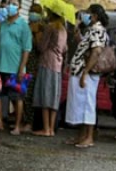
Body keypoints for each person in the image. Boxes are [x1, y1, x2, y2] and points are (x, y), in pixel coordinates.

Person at [65, 4, 109, 148]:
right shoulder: (91, 30)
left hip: (87, 73)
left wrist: (85, 72)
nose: (85, 16)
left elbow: (96, 52)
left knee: (87, 105)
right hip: (80, 72)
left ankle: (89, 137)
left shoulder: (97, 30)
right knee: (80, 105)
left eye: (88, 13)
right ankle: (81, 136)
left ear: (94, 16)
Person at [0, 0, 32, 135]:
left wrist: (22, 68)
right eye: (8, 2)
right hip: (0, 66)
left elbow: (27, 49)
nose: (10, 6)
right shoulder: (2, 25)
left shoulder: (23, 26)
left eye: (13, 3)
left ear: (19, 7)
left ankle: (17, 125)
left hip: (15, 68)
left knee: (17, 98)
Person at [31, 9, 67, 137]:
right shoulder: (63, 30)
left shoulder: (50, 28)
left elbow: (41, 47)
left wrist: (36, 34)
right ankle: (51, 129)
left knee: (45, 95)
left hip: (47, 62)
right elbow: (65, 49)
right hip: (58, 65)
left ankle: (45, 129)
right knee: (53, 98)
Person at [22, 4, 45, 133]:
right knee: (21, 92)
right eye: (31, 11)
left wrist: (36, 33)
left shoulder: (41, 28)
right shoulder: (26, 25)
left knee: (29, 94)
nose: (32, 14)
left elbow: (40, 47)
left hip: (34, 64)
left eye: (35, 12)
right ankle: (23, 119)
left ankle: (29, 122)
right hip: (23, 63)